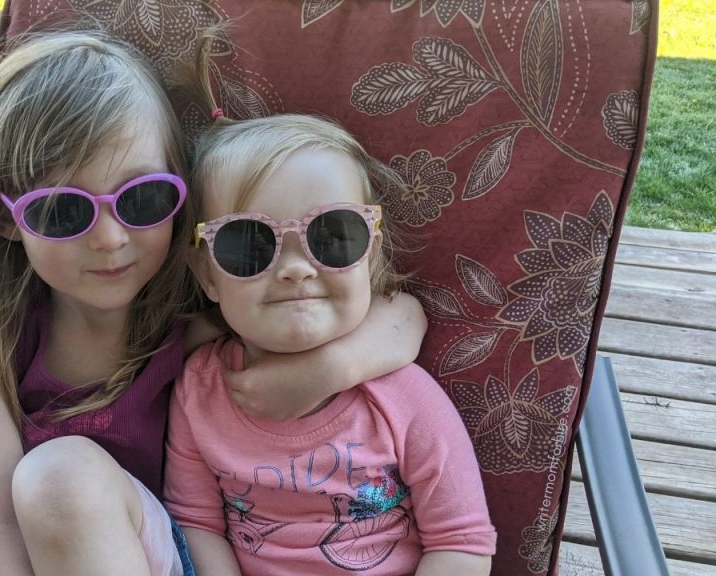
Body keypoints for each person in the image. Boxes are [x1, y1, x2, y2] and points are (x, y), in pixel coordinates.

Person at [0, 30, 427, 576]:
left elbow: (403, 318)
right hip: (15, 557)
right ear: (5, 218)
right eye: (63, 211)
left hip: (148, 552)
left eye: (142, 198)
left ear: (181, 191)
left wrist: (326, 370)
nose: (109, 238)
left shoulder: (196, 314)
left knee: (60, 478)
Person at [164, 52, 496, 574]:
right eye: (249, 244)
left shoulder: (404, 399)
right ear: (206, 274)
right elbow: (195, 524)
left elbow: (462, 541)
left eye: (333, 236)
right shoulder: (198, 392)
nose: (296, 269)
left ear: (373, 256)